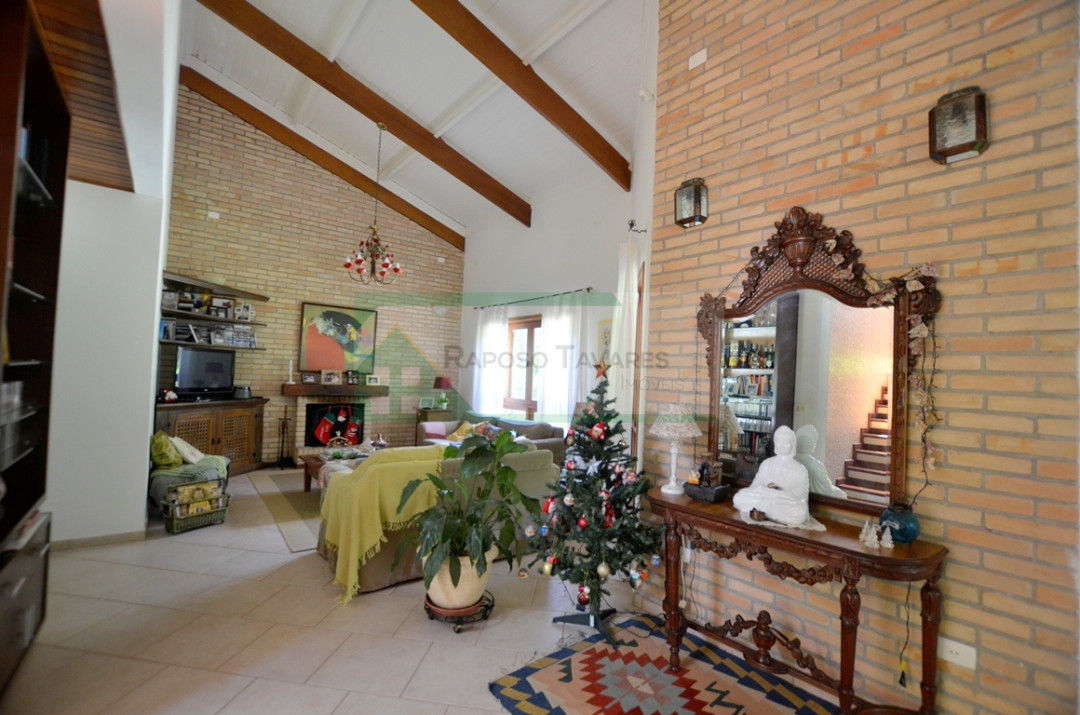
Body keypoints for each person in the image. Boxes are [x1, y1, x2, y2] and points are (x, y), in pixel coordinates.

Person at [732, 426, 810, 526]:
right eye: (779, 442)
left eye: (786, 443)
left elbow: (802, 494)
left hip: (784, 502)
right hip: (765, 496)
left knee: (800, 512)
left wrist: (780, 493)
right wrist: (766, 490)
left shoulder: (800, 469)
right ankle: (769, 512)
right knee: (739, 497)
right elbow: (756, 484)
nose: (782, 445)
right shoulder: (767, 463)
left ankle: (762, 511)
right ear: (775, 443)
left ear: (793, 445)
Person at [795, 424, 847, 498]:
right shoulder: (816, 466)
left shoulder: (788, 461)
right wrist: (840, 493)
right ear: (812, 445)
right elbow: (827, 490)